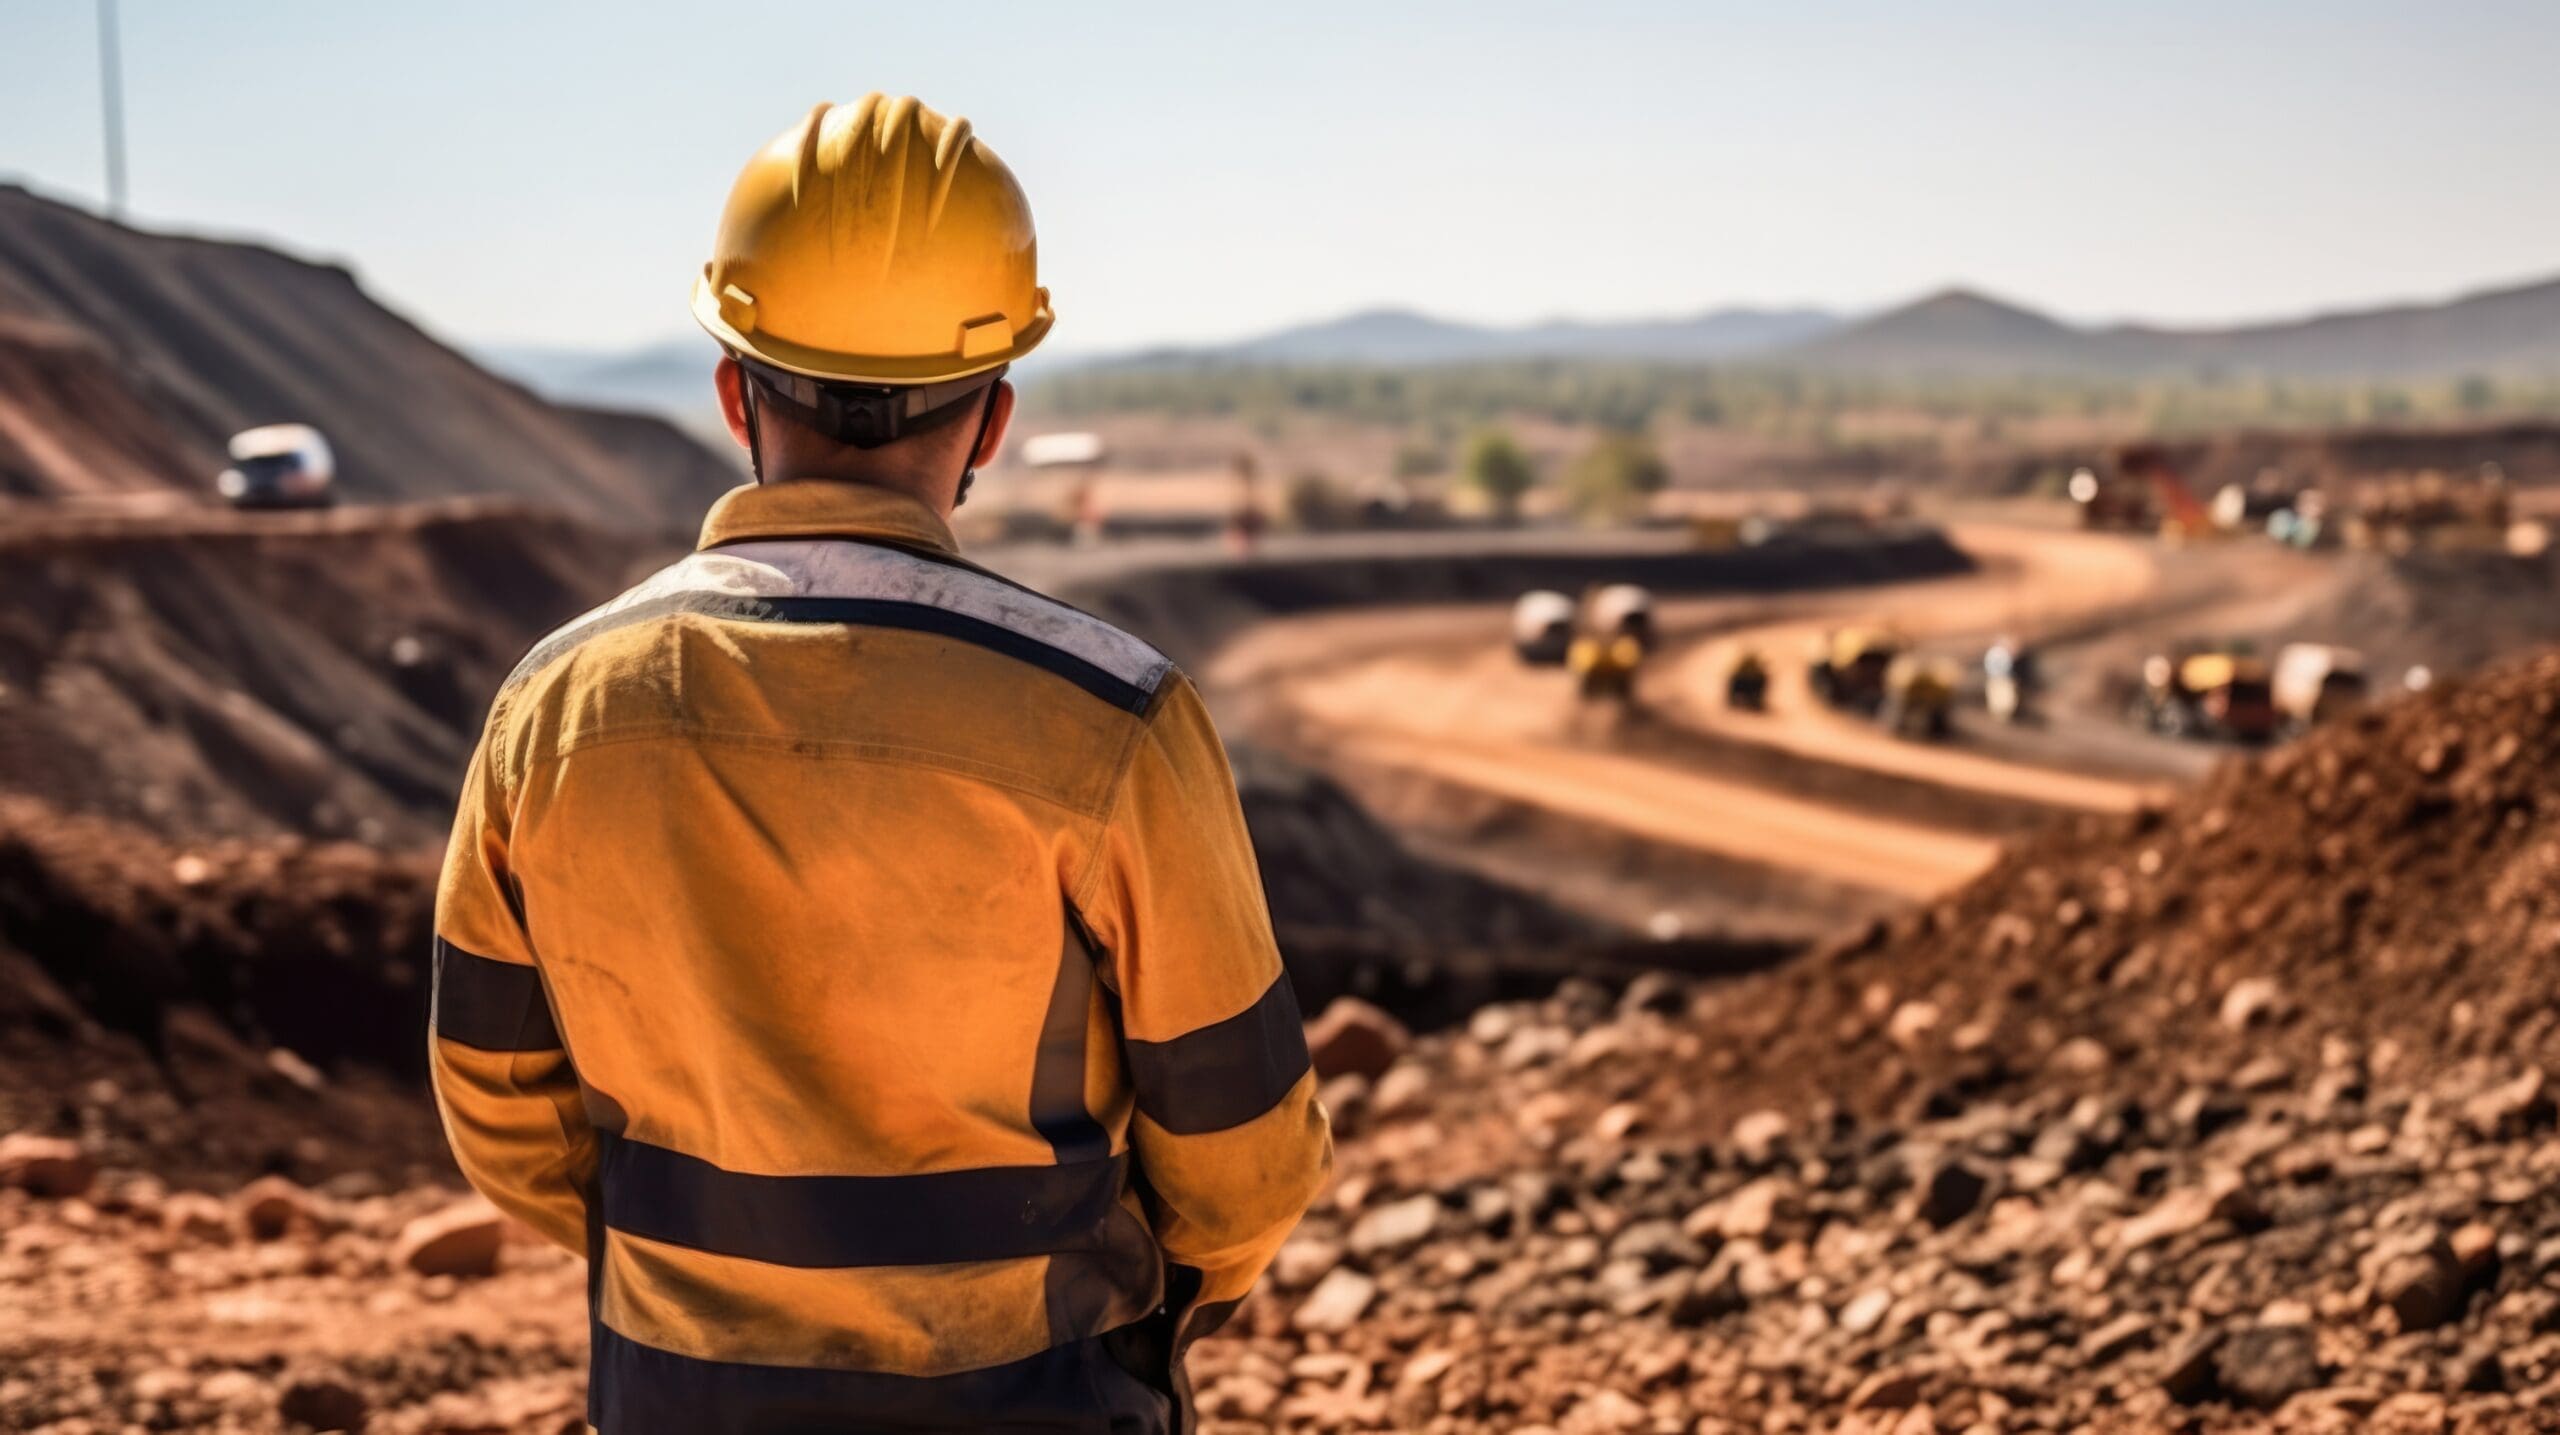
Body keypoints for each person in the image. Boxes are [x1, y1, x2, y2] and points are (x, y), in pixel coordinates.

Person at [428, 94, 1332, 1435]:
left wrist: (699, 1289)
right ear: (994, 419)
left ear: (734, 391)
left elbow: (500, 1108)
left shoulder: (551, 709)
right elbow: (1244, 1162)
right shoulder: (1111, 715)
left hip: (682, 1399)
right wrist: (1145, 1308)